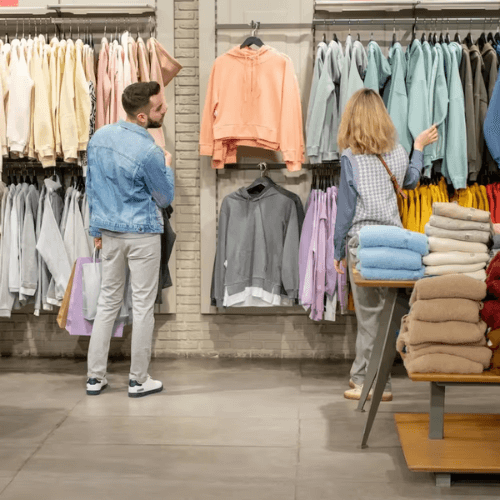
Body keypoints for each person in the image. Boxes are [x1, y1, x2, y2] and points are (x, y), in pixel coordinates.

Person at [333, 88, 438, 402]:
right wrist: (418, 147)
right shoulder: (398, 151)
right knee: (389, 315)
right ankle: (380, 381)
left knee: (368, 317)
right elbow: (410, 181)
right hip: (394, 244)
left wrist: (338, 250)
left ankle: (367, 382)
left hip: (363, 243)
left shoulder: (350, 158)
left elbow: (346, 209)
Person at [85, 81, 175, 398]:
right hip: (142, 235)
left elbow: (92, 188)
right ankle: (138, 380)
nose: (164, 110)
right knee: (142, 307)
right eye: (158, 107)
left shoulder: (99, 138)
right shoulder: (150, 150)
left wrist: (95, 230)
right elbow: (164, 198)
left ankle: (95, 377)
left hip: (108, 232)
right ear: (141, 116)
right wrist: (167, 166)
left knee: (107, 303)